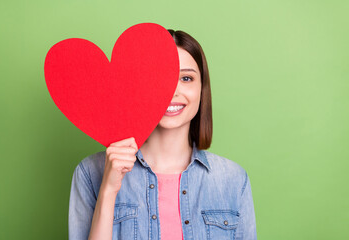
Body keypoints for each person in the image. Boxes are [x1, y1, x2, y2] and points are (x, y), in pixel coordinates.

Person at [68, 29, 257, 240]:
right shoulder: (90, 172)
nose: (172, 91)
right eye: (158, 76)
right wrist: (109, 190)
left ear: (202, 89)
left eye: (186, 78)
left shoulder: (233, 179)